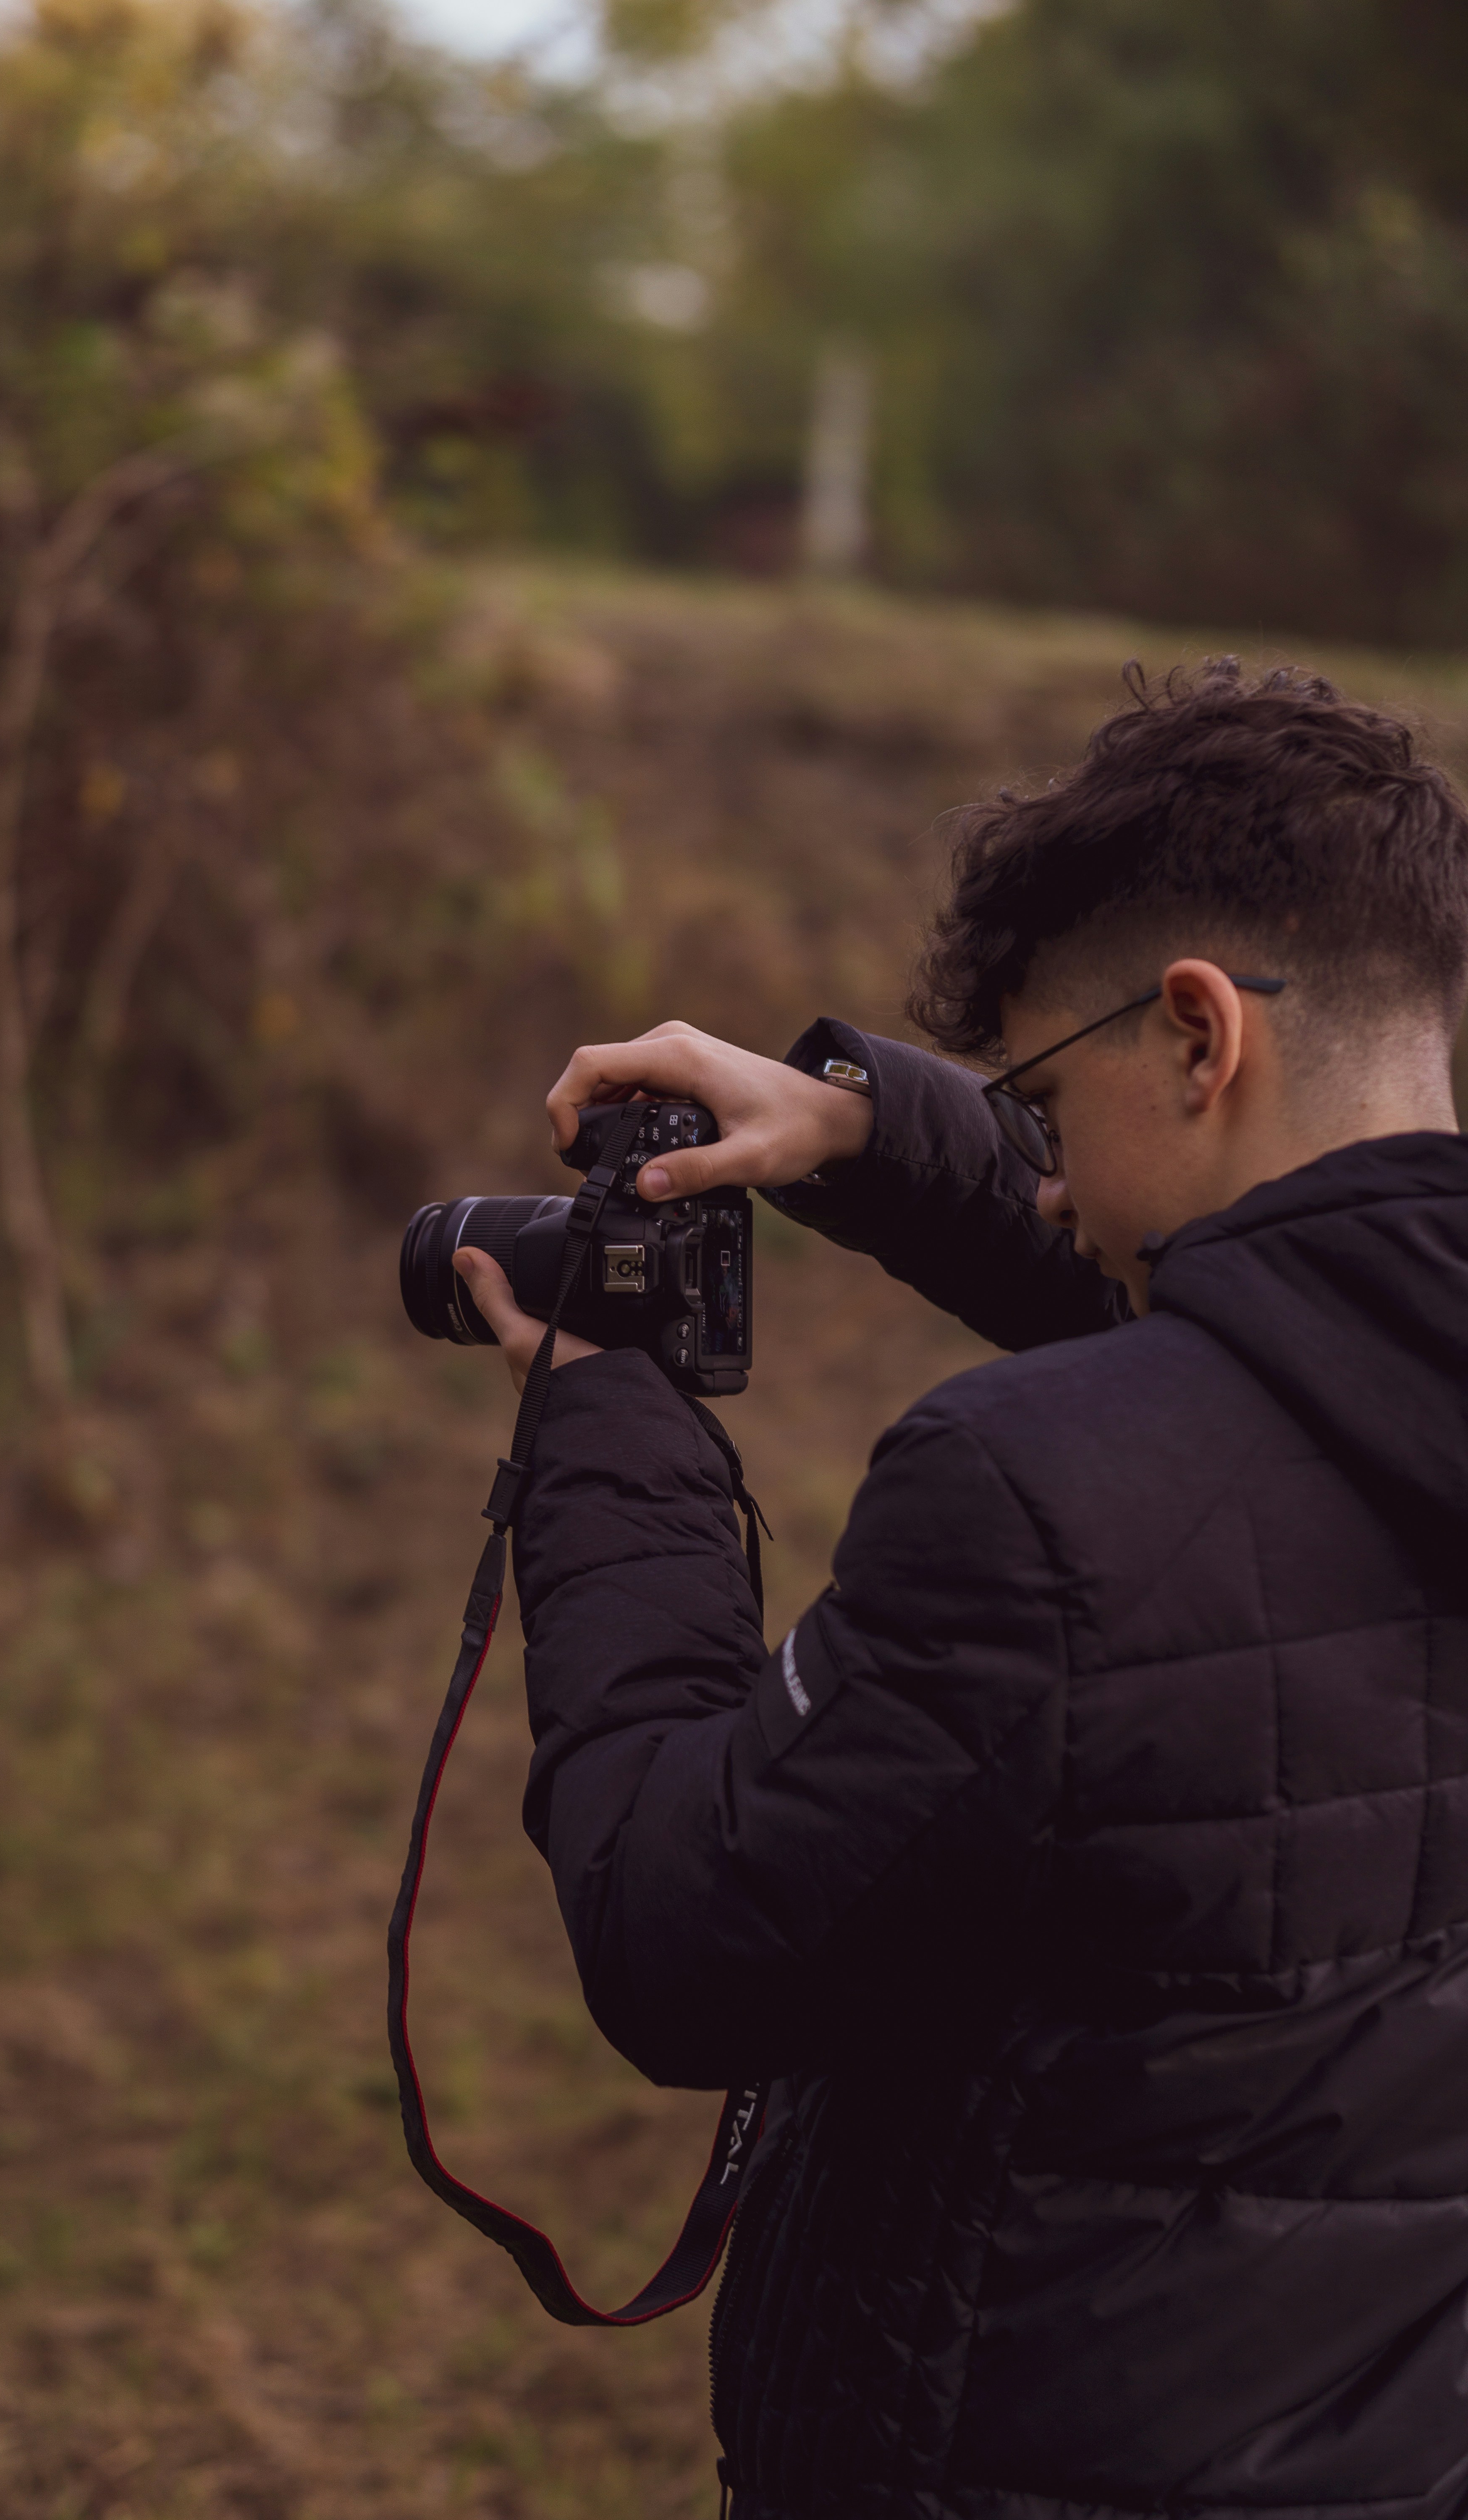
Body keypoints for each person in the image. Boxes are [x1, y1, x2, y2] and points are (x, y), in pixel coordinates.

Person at [451, 658, 1468, 2520]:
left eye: (1046, 1105)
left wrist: (612, 1427)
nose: (1054, 1188)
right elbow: (1285, 1354)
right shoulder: (1397, 1389)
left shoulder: (1033, 1493)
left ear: (1195, 1036)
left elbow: (678, 1939)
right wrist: (872, 1133)